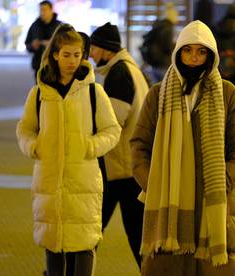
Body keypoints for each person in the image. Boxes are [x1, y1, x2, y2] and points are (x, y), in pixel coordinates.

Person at [130, 20, 235, 275]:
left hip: (215, 204)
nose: (194, 58)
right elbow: (139, 146)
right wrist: (154, 184)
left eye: (201, 51)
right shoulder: (157, 95)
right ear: (178, 52)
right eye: (188, 50)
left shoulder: (227, 94)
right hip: (168, 206)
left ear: (211, 54)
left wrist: (221, 181)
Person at [16, 24, 121, 276]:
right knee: (53, 246)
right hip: (49, 180)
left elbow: (112, 130)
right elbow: (25, 129)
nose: (72, 61)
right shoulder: (39, 93)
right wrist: (34, 146)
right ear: (54, 54)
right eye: (66, 55)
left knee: (84, 246)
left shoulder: (94, 92)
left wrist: (91, 146)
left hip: (83, 180)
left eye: (77, 55)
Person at [89, 22, 149, 268]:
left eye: (93, 48)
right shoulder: (130, 69)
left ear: (105, 49)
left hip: (120, 166)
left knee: (92, 226)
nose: (90, 54)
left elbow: (112, 122)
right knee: (133, 233)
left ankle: (68, 269)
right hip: (128, 164)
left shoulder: (119, 73)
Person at [140, 2, 178, 84]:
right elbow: (167, 46)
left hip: (154, 62)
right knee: (164, 88)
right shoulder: (168, 27)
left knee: (156, 87)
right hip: (163, 63)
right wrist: (175, 45)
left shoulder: (159, 25)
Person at [24, 0, 61, 80]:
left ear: (51, 10)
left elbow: (67, 44)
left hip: (56, 66)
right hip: (39, 65)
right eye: (40, 10)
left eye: (44, 9)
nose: (42, 12)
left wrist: (52, 44)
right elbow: (27, 44)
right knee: (40, 90)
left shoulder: (59, 26)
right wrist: (33, 46)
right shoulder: (35, 26)